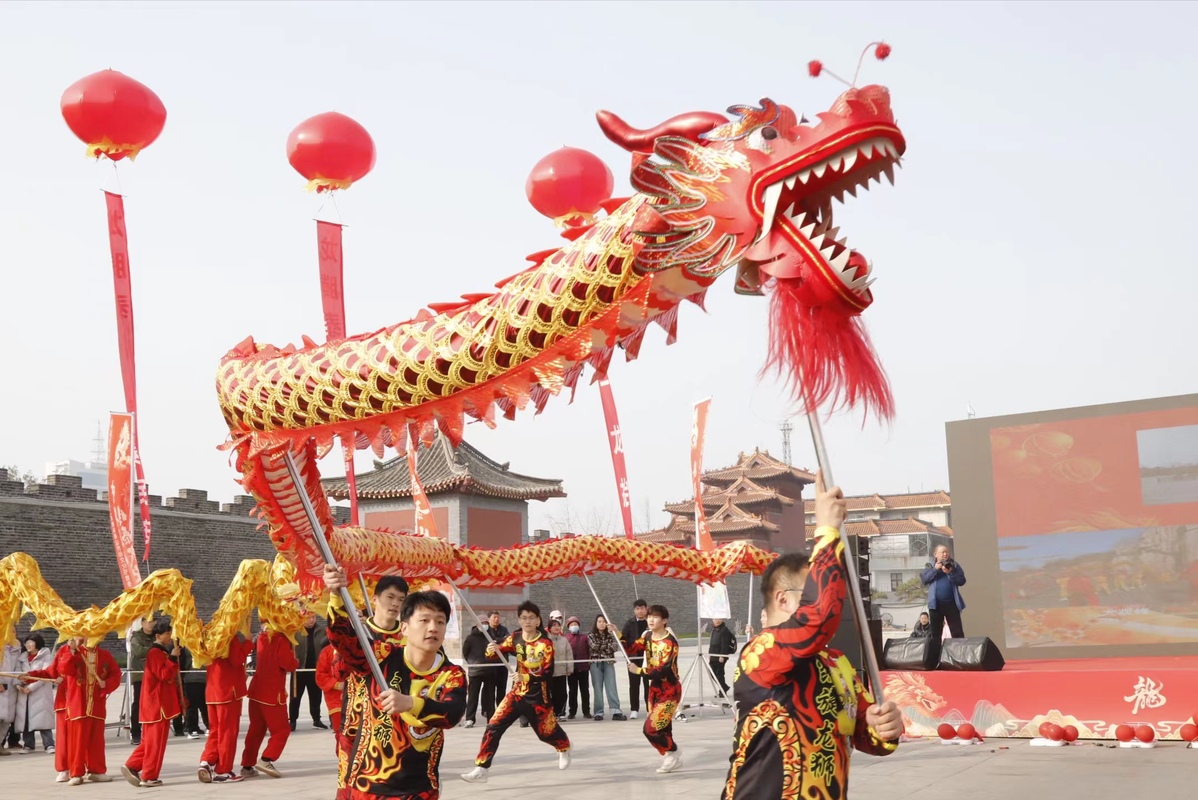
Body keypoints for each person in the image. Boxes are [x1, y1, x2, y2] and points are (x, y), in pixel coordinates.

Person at [721, 471, 903, 800]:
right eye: (810, 591)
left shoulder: (838, 663)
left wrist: (882, 728)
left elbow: (864, 733)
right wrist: (826, 530)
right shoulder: (761, 652)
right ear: (783, 599)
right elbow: (819, 615)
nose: (830, 595)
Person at [324, 564, 467, 799]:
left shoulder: (451, 674)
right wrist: (336, 596)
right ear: (405, 628)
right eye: (424, 620)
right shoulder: (381, 655)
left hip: (419, 788)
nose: (433, 628)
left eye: (440, 622)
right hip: (368, 784)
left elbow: (452, 713)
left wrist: (411, 703)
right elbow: (345, 644)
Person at [460, 601, 571, 783]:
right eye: (524, 618)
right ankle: (482, 767)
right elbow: (499, 651)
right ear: (519, 620)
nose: (527, 621)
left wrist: (525, 677)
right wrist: (491, 650)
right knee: (494, 726)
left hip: (538, 698)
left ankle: (564, 747)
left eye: (531, 618)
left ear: (538, 621)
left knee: (545, 733)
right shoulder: (515, 637)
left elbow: (547, 672)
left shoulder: (545, 643)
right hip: (516, 694)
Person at [338, 575, 408, 798]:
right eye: (390, 597)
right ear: (375, 598)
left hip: (396, 727)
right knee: (349, 785)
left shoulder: (408, 636)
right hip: (356, 723)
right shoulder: (356, 633)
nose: (395, 603)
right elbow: (337, 671)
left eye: (401, 599)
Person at [122, 618, 182, 787]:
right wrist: (172, 659)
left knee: (150, 741)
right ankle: (148, 775)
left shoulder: (160, 652)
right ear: (158, 635)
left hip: (158, 704)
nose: (170, 637)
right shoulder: (155, 653)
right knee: (155, 743)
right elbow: (163, 675)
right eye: (167, 634)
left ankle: (133, 764)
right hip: (157, 704)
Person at [625, 605, 682, 772]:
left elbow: (664, 669)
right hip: (654, 689)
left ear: (664, 620)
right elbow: (632, 648)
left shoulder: (670, 642)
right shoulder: (648, 636)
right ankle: (671, 758)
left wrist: (640, 671)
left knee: (650, 729)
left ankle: (673, 751)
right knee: (663, 727)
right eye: (649, 616)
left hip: (670, 690)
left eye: (655, 617)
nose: (650, 619)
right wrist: (617, 633)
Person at [239, 624, 299, 778]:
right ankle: (267, 758)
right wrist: (295, 661)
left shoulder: (261, 638)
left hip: (257, 690)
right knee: (281, 730)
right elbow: (287, 663)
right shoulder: (281, 639)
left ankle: (247, 764)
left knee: (256, 729)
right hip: (272, 693)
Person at [59, 637, 120, 784]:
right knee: (77, 742)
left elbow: (116, 674)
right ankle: (76, 773)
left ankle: (96, 770)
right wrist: (71, 650)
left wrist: (107, 684)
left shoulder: (105, 655)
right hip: (78, 704)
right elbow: (63, 669)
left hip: (97, 704)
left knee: (97, 741)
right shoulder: (74, 653)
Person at [197, 630, 254, 784]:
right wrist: (248, 643)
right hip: (228, 691)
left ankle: (207, 761)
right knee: (228, 732)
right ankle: (223, 770)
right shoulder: (229, 637)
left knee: (216, 730)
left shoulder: (209, 634)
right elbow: (237, 659)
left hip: (212, 690)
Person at [921, 543, 966, 665]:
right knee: (936, 634)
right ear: (935, 554)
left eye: (946, 552)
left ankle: (960, 659)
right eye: (942, 552)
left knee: (957, 632)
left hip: (951, 604)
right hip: (935, 605)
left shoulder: (954, 565)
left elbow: (962, 580)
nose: (945, 554)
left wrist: (949, 573)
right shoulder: (929, 565)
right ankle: (935, 661)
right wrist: (935, 569)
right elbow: (924, 580)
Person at [14, 634, 55, 755]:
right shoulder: (22, 658)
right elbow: (16, 673)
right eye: (26, 643)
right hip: (24, 693)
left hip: (40, 693)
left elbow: (46, 675)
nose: (28, 645)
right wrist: (18, 684)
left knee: (43, 718)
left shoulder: (46, 657)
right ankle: (28, 744)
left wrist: (31, 688)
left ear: (37, 643)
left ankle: (49, 744)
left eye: (30, 642)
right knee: (26, 718)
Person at [290, 613, 329, 731]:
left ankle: (316, 719)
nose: (311, 620)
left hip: (315, 670)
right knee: (295, 697)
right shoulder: (295, 631)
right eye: (308, 617)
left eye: (313, 617)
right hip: (299, 670)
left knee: (316, 697)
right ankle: (292, 721)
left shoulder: (322, 631)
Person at [313, 643, 348, 761]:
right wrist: (337, 684)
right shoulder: (327, 652)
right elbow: (320, 675)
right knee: (341, 731)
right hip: (335, 699)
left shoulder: (356, 648)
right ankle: (344, 759)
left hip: (356, 696)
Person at [588, 615, 625, 721]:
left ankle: (615, 711)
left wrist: (603, 646)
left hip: (608, 662)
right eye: (599, 621)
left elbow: (615, 647)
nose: (601, 623)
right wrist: (606, 646)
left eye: (604, 621)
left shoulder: (611, 634)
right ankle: (598, 712)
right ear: (596, 623)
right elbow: (594, 646)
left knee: (611, 686)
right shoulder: (591, 634)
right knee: (598, 689)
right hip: (596, 663)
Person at [461, 616, 493, 728]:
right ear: (477, 624)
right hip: (475, 671)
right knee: (472, 696)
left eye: (486, 623)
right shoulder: (470, 637)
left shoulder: (490, 636)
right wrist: (472, 662)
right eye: (482, 623)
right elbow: (465, 652)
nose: (484, 625)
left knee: (489, 697)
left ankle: (491, 718)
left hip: (489, 670)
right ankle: (469, 718)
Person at [127, 617, 154, 746]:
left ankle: (150, 731)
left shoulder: (157, 635)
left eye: (152, 621)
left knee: (153, 704)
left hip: (155, 674)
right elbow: (138, 651)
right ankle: (135, 732)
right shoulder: (136, 637)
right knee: (138, 703)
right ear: (142, 623)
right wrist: (156, 649)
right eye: (148, 621)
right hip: (140, 675)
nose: (150, 624)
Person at [621, 600, 650, 719]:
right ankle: (634, 709)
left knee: (648, 684)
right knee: (634, 684)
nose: (640, 611)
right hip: (633, 658)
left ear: (646, 609)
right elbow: (623, 640)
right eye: (637, 609)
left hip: (648, 658)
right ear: (634, 610)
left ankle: (650, 709)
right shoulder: (629, 623)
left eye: (642, 608)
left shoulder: (651, 622)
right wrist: (628, 656)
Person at [480, 611, 510, 719]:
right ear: (489, 619)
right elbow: (486, 642)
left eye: (498, 617)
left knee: (501, 689)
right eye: (494, 617)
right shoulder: (485, 630)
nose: (496, 619)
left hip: (502, 664)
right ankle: (488, 711)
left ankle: (500, 710)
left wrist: (497, 643)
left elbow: (508, 640)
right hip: (489, 665)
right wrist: (500, 643)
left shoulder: (504, 629)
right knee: (489, 690)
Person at [178, 646, 209, 738]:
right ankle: (192, 728)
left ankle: (210, 726)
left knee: (206, 704)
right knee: (192, 705)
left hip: (207, 677)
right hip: (192, 677)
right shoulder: (187, 642)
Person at [564, 616, 591, 720]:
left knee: (585, 691)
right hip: (572, 670)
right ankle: (572, 712)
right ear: (568, 627)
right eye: (572, 625)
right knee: (572, 691)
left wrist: (588, 663)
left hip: (583, 668)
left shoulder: (585, 637)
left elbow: (589, 651)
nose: (574, 626)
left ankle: (586, 711)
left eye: (575, 624)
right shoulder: (566, 638)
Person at [546, 618, 573, 718]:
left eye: (558, 625)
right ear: (549, 628)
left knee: (562, 693)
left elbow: (569, 655)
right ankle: (552, 713)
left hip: (562, 671)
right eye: (554, 625)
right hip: (550, 672)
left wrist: (570, 668)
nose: (557, 627)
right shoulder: (546, 640)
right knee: (551, 693)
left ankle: (561, 713)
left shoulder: (564, 640)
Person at [707, 618, 737, 697]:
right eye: (715, 619)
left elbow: (725, 643)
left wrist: (722, 655)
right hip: (713, 655)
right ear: (712, 620)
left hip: (720, 656)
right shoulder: (714, 629)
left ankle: (723, 691)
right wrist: (710, 653)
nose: (717, 620)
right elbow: (712, 642)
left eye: (719, 619)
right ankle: (724, 687)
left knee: (719, 674)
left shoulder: (724, 630)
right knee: (712, 673)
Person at [0, 642, 19, 756]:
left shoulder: (18, 649)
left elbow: (19, 667)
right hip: (2, 686)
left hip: (12, 689)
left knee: (7, 720)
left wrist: (17, 682)